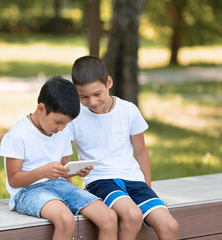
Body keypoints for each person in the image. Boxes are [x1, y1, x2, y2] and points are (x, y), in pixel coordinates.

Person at [69, 56, 179, 240]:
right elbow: (63, 158)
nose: (93, 102)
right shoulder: (74, 117)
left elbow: (141, 153)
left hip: (134, 180)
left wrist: (148, 189)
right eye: (84, 97)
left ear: (109, 82)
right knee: (132, 214)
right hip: (100, 180)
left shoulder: (129, 110)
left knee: (170, 225)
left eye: (97, 94)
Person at [0, 76, 117, 240]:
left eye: (66, 124)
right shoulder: (18, 135)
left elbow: (63, 169)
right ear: (41, 108)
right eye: (58, 122)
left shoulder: (62, 131)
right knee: (65, 219)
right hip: (27, 192)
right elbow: (13, 179)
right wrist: (43, 172)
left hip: (60, 186)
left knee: (109, 217)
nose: (61, 128)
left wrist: (75, 171)